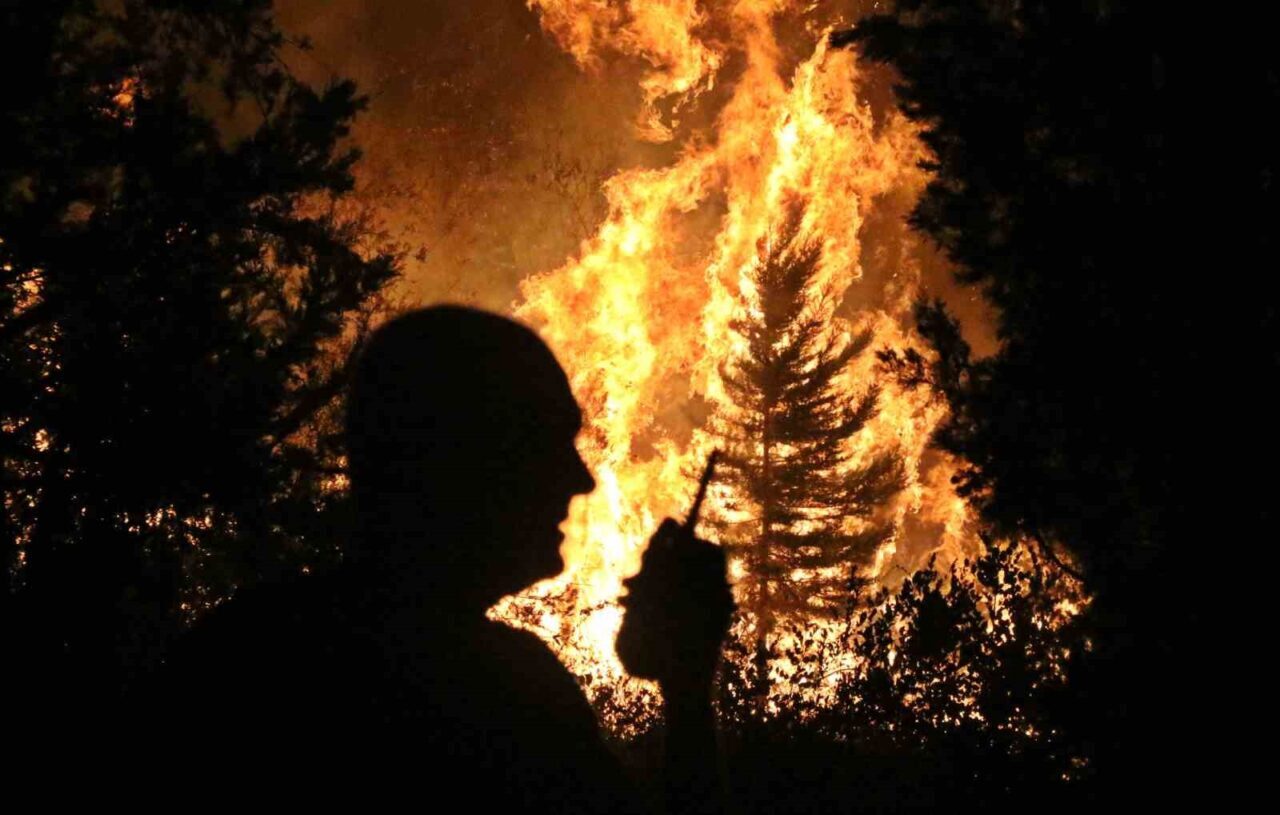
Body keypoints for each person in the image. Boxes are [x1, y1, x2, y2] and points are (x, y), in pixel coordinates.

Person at [140, 305, 733, 813]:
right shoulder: (502, 693)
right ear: (462, 461)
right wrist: (685, 686)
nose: (580, 479)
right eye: (544, 442)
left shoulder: (242, 648)